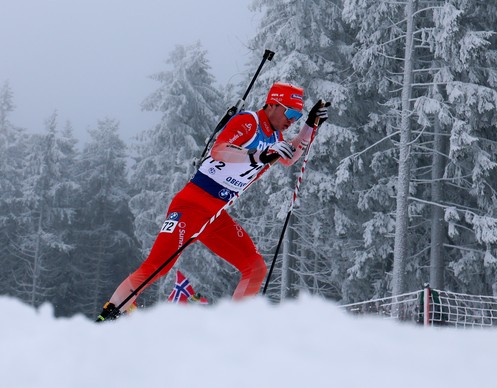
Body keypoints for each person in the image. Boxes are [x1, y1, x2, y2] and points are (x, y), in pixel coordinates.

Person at [97, 82, 330, 321]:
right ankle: (110, 315)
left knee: (255, 266)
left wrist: (310, 126)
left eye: (297, 115)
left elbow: (289, 158)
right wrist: (259, 155)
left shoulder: (276, 136)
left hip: (215, 217)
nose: (292, 119)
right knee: (157, 266)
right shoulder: (249, 122)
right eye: (290, 112)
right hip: (191, 206)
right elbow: (220, 151)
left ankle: (234, 330)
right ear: (272, 104)